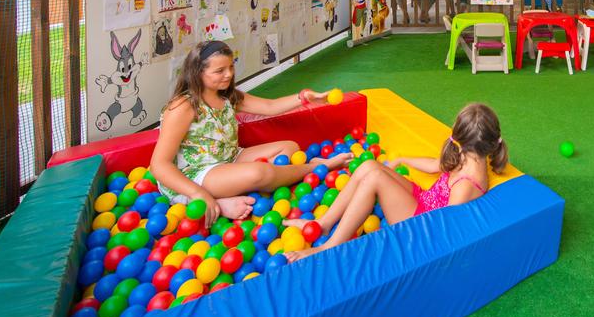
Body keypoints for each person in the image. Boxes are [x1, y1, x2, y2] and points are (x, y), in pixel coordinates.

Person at [149, 42, 351, 226]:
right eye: (219, 71)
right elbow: (159, 165)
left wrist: (305, 97)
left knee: (289, 147)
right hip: (196, 174)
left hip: (229, 158)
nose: (228, 74)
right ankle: (315, 167)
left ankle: (239, 187)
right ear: (197, 72)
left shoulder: (227, 96)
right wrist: (198, 193)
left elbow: (269, 106)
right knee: (260, 173)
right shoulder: (184, 106)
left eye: (230, 67)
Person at [285, 103, 508, 262]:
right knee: (369, 165)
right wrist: (402, 160)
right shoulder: (467, 157)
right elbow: (434, 165)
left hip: (420, 225)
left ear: (458, 140)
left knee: (375, 178)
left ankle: (328, 247)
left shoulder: (466, 185)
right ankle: (323, 224)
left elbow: (441, 229)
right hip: (423, 200)